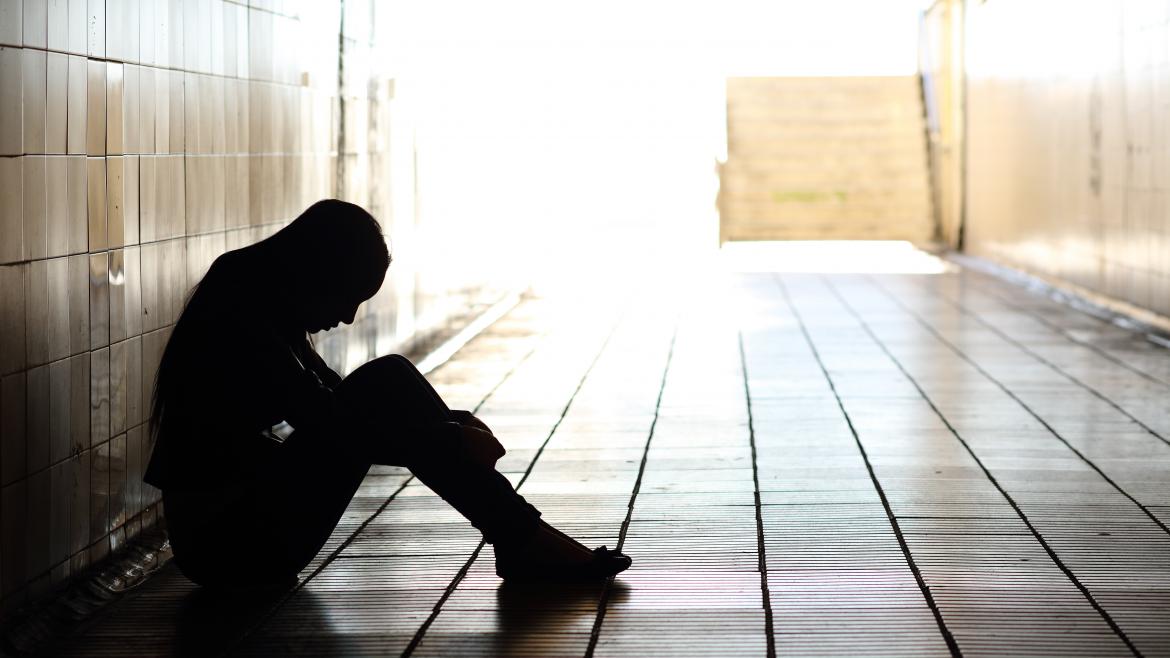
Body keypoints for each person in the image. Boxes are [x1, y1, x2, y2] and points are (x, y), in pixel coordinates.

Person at [143, 199, 631, 589]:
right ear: (318, 271)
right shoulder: (242, 307)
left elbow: (332, 398)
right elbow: (332, 424)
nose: (349, 317)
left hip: (242, 532)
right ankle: (522, 539)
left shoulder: (256, 290)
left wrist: (451, 424)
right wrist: (451, 441)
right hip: (226, 550)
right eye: (349, 296)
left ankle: (520, 538)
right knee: (386, 382)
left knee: (390, 379)